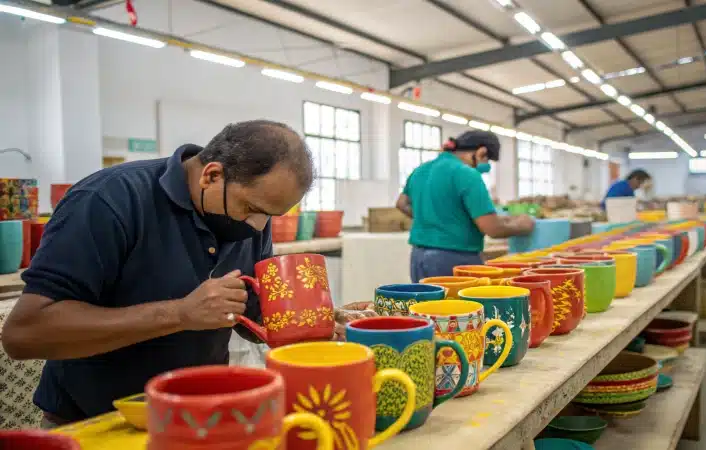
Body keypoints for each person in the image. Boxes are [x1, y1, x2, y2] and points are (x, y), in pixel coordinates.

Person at [0, 120, 374, 427]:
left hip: (203, 416)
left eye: (270, 216)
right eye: (251, 208)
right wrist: (179, 314)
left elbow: (250, 313)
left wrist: (318, 320)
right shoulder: (108, 201)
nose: (259, 226)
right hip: (99, 423)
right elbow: (24, 334)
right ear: (211, 175)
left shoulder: (249, 220)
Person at [396, 130, 535, 283]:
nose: (486, 166)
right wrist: (523, 226)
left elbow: (402, 204)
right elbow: (492, 229)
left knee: (426, 305)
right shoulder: (466, 174)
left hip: (419, 258)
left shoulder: (421, 170)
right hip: (454, 258)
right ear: (481, 152)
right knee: (462, 307)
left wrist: (433, 218)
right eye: (487, 160)